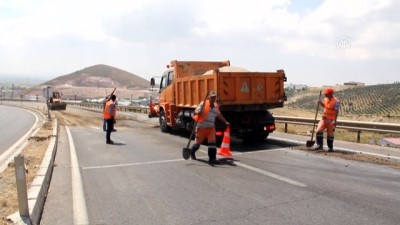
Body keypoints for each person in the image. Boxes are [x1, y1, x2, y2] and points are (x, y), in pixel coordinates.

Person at [190, 91, 230, 165]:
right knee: (197, 144)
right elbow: (196, 111)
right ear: (209, 98)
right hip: (201, 128)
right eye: (212, 97)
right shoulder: (203, 104)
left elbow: (219, 115)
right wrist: (199, 112)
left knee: (212, 144)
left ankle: (212, 159)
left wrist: (225, 122)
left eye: (214, 97)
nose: (213, 99)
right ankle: (192, 152)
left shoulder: (215, 106)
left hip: (211, 128)